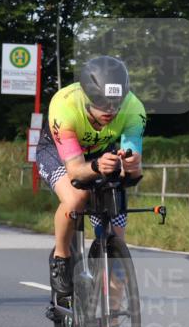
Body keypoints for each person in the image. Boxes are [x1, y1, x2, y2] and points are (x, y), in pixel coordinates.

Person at [35, 56, 145, 295]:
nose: (110, 110)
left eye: (116, 103)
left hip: (99, 152)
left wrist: (133, 164)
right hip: (57, 151)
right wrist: (95, 167)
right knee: (76, 198)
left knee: (116, 230)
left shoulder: (134, 108)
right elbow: (75, 170)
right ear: (86, 96)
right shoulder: (64, 106)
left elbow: (133, 161)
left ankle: (114, 318)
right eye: (102, 103)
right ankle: (61, 258)